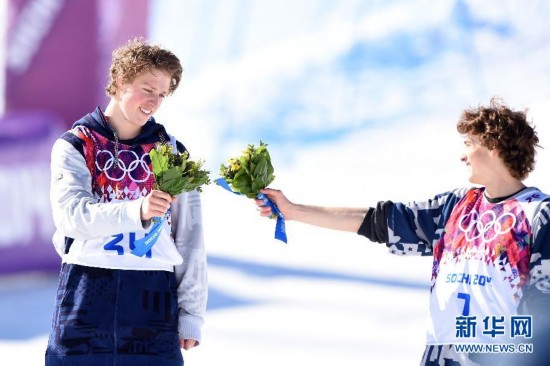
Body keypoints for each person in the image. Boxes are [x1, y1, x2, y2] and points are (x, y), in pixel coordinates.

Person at [256, 98, 550, 366]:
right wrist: (292, 210)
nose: (463, 155)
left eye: (470, 143)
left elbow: (544, 317)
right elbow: (377, 221)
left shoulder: (539, 215)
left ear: (493, 146)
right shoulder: (454, 206)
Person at [46, 38, 207, 366]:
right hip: (87, 287)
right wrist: (138, 210)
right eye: (148, 88)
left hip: (153, 296)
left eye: (162, 94)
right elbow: (73, 216)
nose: (154, 101)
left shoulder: (173, 152)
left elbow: (191, 237)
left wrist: (191, 313)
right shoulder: (75, 145)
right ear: (119, 82)